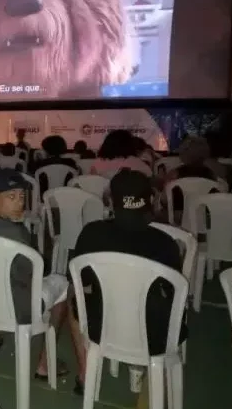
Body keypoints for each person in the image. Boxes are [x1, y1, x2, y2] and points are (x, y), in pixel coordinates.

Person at [68, 169, 185, 395]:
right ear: (150, 200)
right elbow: (172, 294)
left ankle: (85, 374)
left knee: (74, 295)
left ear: (111, 200)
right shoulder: (166, 242)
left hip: (100, 325)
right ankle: (141, 364)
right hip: (155, 333)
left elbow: (79, 283)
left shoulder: (91, 233)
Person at [0, 168, 69, 377]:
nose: (19, 203)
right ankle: (44, 362)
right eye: (11, 197)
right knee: (62, 284)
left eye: (22, 197)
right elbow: (32, 276)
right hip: (18, 309)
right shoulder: (18, 233)